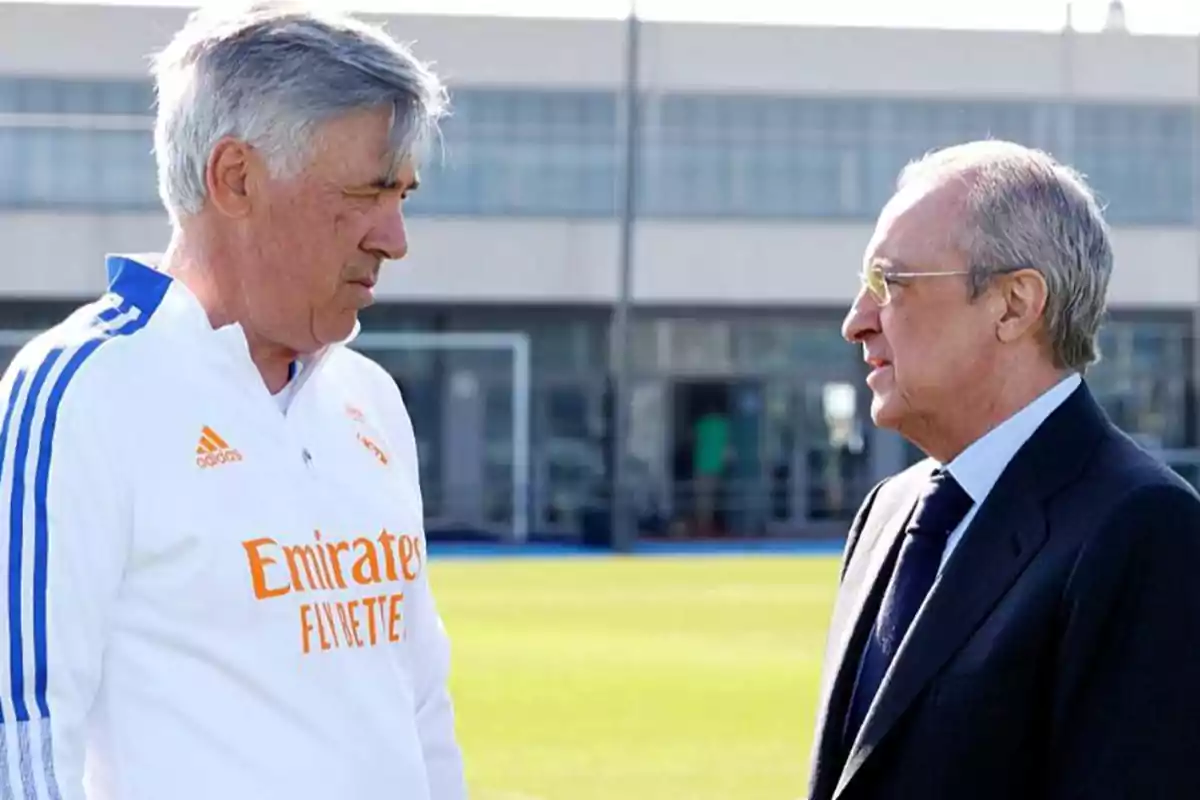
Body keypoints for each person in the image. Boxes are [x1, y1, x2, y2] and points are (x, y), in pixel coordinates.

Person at [0, 3, 466, 799]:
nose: (395, 237)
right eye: (367, 192)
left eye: (404, 196)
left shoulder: (372, 401)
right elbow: (24, 738)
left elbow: (422, 709)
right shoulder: (82, 393)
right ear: (236, 178)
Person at [807, 140, 1200, 800]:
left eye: (890, 284)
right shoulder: (887, 513)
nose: (857, 321)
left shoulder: (1146, 530)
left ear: (1015, 305)